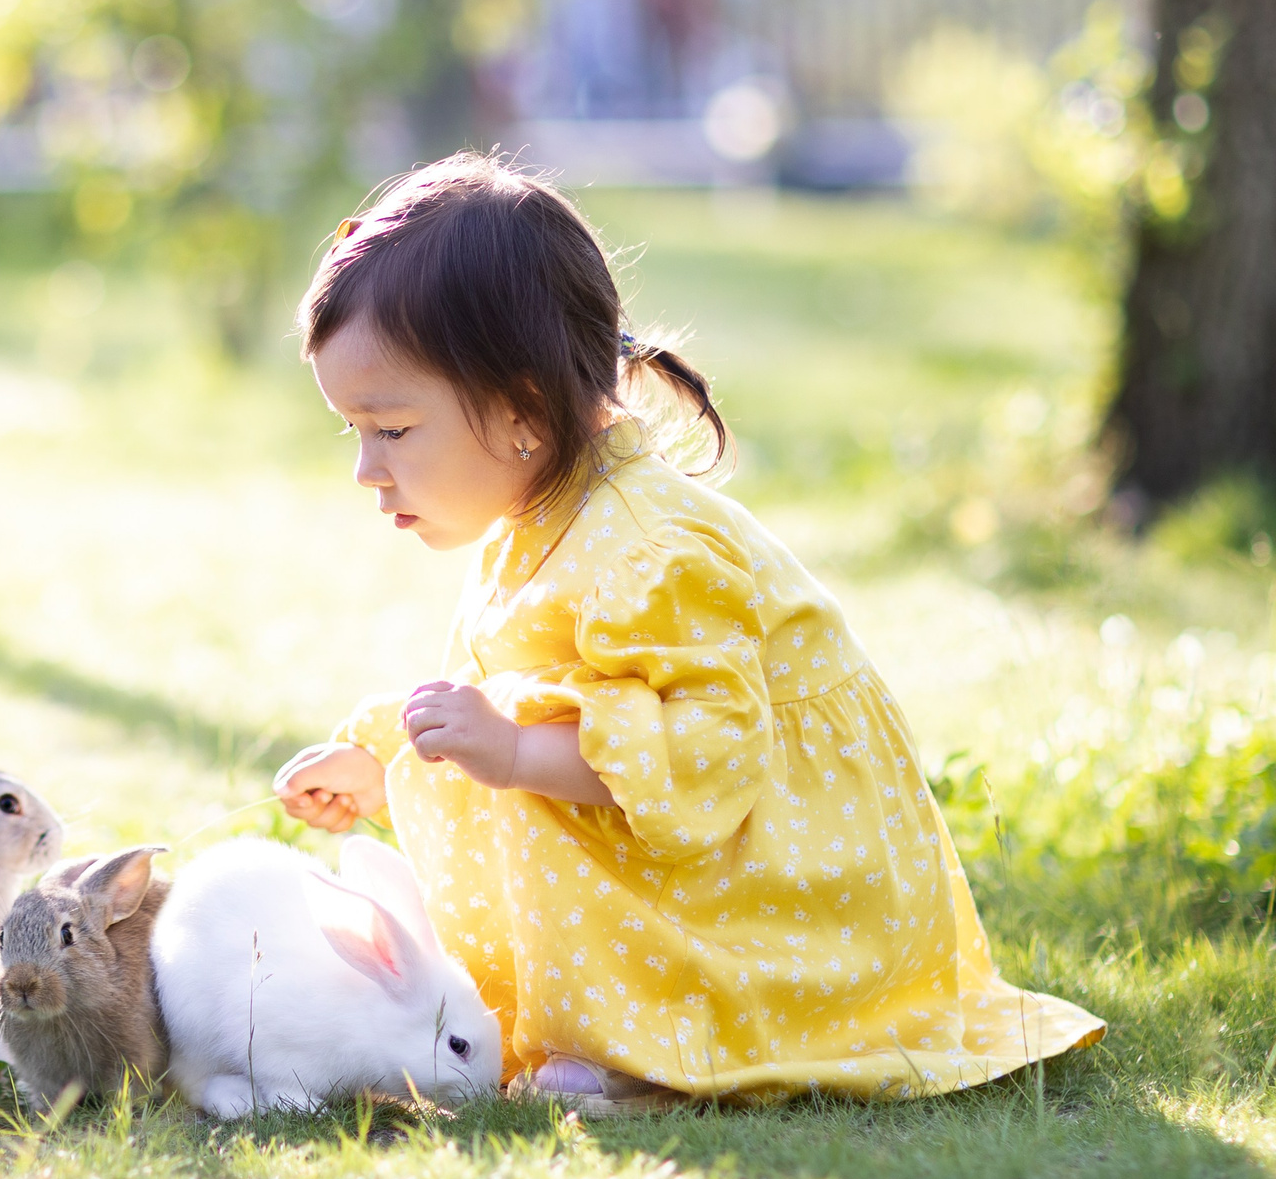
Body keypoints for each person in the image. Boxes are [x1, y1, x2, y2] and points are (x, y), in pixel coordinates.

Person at [275, 154, 1100, 1114]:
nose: (367, 471)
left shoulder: (648, 548)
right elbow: (533, 706)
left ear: (522, 410)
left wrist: (502, 751)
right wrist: (402, 771)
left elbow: (707, 756)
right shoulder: (540, 517)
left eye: (393, 429)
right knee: (507, 754)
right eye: (355, 434)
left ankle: (656, 1039)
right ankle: (602, 1023)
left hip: (789, 887)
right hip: (696, 834)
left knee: (519, 761)